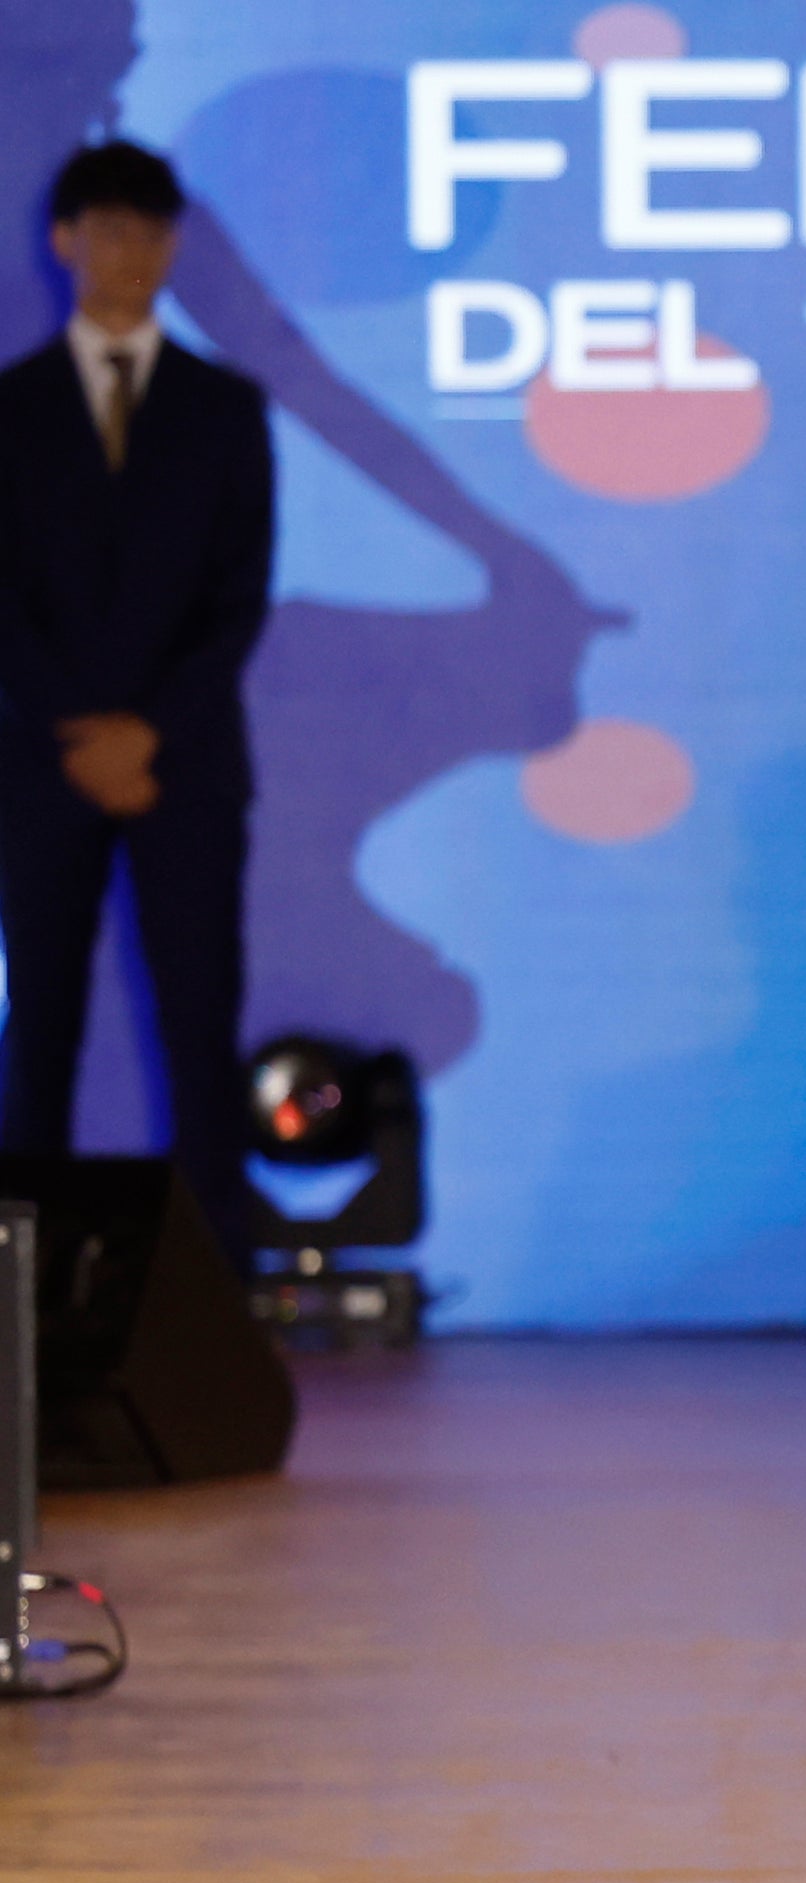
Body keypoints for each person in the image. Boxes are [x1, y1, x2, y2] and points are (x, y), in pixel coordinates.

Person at [0, 139, 272, 1257]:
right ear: (64, 242)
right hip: (44, 761)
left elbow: (238, 595)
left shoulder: (223, 408)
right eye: (108, 229)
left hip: (187, 759)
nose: (131, 253)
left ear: (175, 248)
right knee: (41, 1030)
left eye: (153, 232)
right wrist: (81, 730)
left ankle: (215, 1299)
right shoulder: (10, 408)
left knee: (200, 1024)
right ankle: (26, 1298)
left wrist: (148, 728)